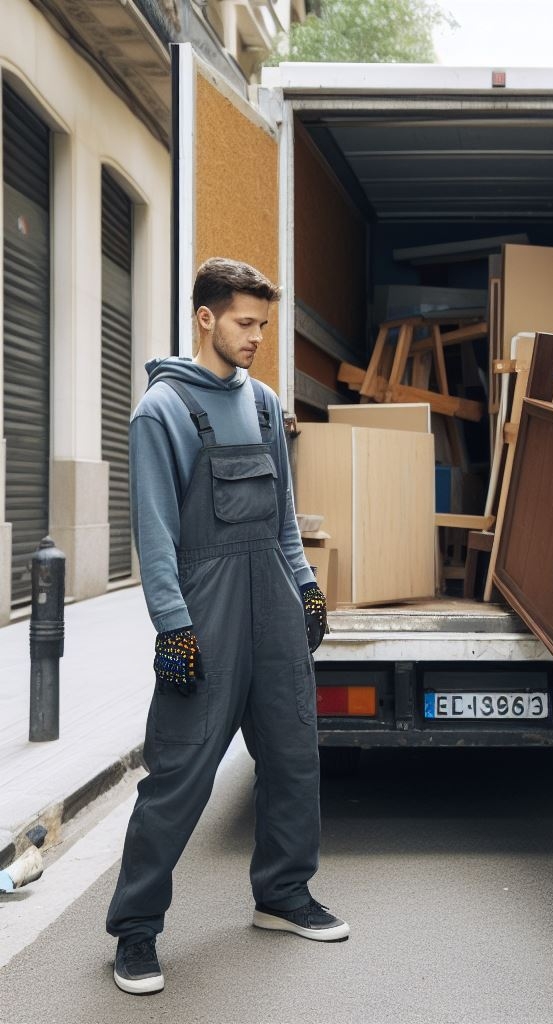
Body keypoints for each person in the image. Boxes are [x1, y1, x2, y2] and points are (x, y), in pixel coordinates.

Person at [106, 258, 344, 996]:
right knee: (179, 774)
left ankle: (282, 894)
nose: (257, 338)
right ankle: (137, 931)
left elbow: (279, 518)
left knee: (293, 751)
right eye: (246, 323)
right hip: (203, 606)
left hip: (270, 597)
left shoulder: (267, 404)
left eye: (264, 325)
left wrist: (305, 587)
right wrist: (172, 626)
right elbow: (154, 534)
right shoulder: (164, 411)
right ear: (205, 317)